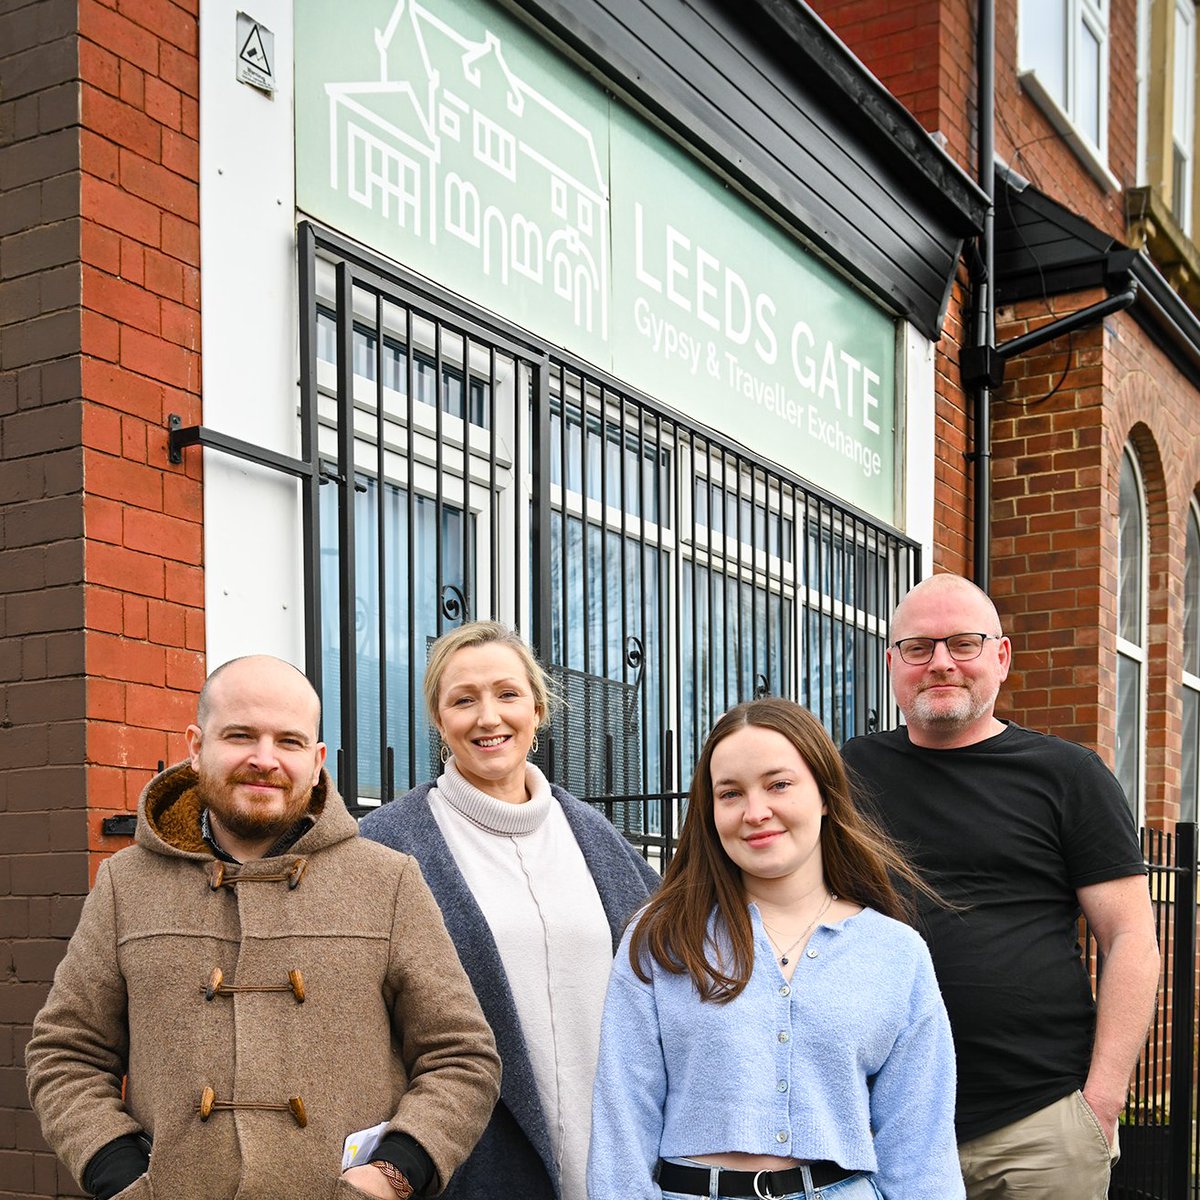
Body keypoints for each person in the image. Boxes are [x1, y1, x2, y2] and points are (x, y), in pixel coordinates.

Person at [26, 654, 501, 1200]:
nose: (264, 759)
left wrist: (392, 1174)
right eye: (241, 735)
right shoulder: (125, 885)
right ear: (196, 745)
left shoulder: (387, 881)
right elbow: (65, 1054)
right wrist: (119, 1173)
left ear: (317, 758)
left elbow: (461, 1056)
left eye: (290, 742)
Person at [841, 572, 1161, 1200]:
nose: (941, 664)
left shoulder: (1067, 775)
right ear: (891, 662)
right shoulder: (853, 771)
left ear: (1001, 656)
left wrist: (1101, 1102)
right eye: (918, 648)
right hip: (887, 1119)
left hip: (1039, 1124)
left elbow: (1131, 938)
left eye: (963, 644)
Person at [588, 697, 964, 1200]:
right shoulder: (663, 937)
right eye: (730, 794)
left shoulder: (896, 953)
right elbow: (622, 1120)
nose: (756, 812)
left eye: (779, 784)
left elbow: (921, 1150)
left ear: (826, 794)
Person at [359, 620, 660, 1200]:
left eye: (507, 693)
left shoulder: (596, 838)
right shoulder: (386, 844)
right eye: (463, 700)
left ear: (538, 710)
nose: (488, 717)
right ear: (440, 721)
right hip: (473, 1168)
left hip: (617, 1165)